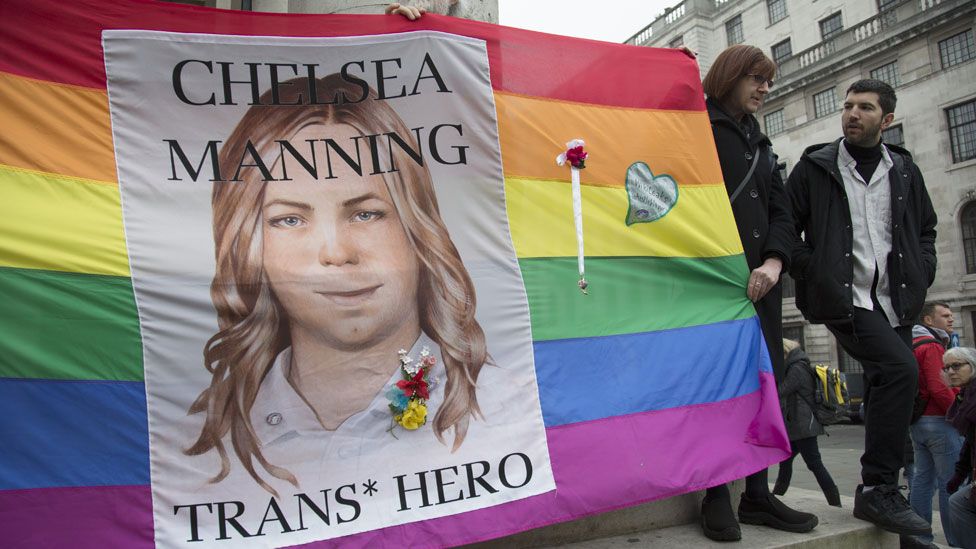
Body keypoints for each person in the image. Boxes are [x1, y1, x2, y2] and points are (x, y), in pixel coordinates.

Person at [185, 73, 489, 494]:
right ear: (250, 248)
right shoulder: (202, 438)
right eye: (290, 219)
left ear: (416, 226)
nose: (336, 252)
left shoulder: (500, 409)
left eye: (366, 213)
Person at [786, 78, 938, 536]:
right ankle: (877, 488)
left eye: (865, 108)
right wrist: (818, 272)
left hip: (897, 301)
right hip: (846, 299)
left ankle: (891, 507)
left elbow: (926, 229)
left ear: (886, 120)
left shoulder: (905, 170)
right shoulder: (816, 166)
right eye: (848, 106)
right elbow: (785, 227)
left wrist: (924, 268)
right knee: (900, 371)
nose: (852, 113)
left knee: (887, 386)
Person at [698, 44, 818, 542]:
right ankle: (715, 495)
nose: (766, 88)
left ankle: (758, 495)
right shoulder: (694, 126)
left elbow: (782, 213)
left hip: (762, 288)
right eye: (756, 78)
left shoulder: (763, 145)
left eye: (769, 80)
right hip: (711, 287)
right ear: (729, 77)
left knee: (760, 388)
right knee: (716, 391)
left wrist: (774, 262)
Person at [910, 302, 961, 546]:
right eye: (945, 315)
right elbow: (939, 387)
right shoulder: (931, 346)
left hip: (919, 422)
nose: (951, 319)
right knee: (950, 481)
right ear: (929, 321)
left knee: (923, 480)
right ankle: (956, 537)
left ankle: (919, 536)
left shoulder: (912, 343)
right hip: (939, 421)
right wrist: (960, 414)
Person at [773, 339, 841, 507]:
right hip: (797, 426)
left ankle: (835, 502)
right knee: (785, 460)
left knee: (814, 464)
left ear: (785, 353)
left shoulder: (797, 368)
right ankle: (776, 497)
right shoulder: (796, 366)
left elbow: (781, 391)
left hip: (804, 427)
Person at [945, 347, 976, 549]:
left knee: (959, 504)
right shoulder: (965, 395)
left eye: (956, 366)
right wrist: (958, 476)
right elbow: (970, 441)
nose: (950, 372)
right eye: (947, 367)